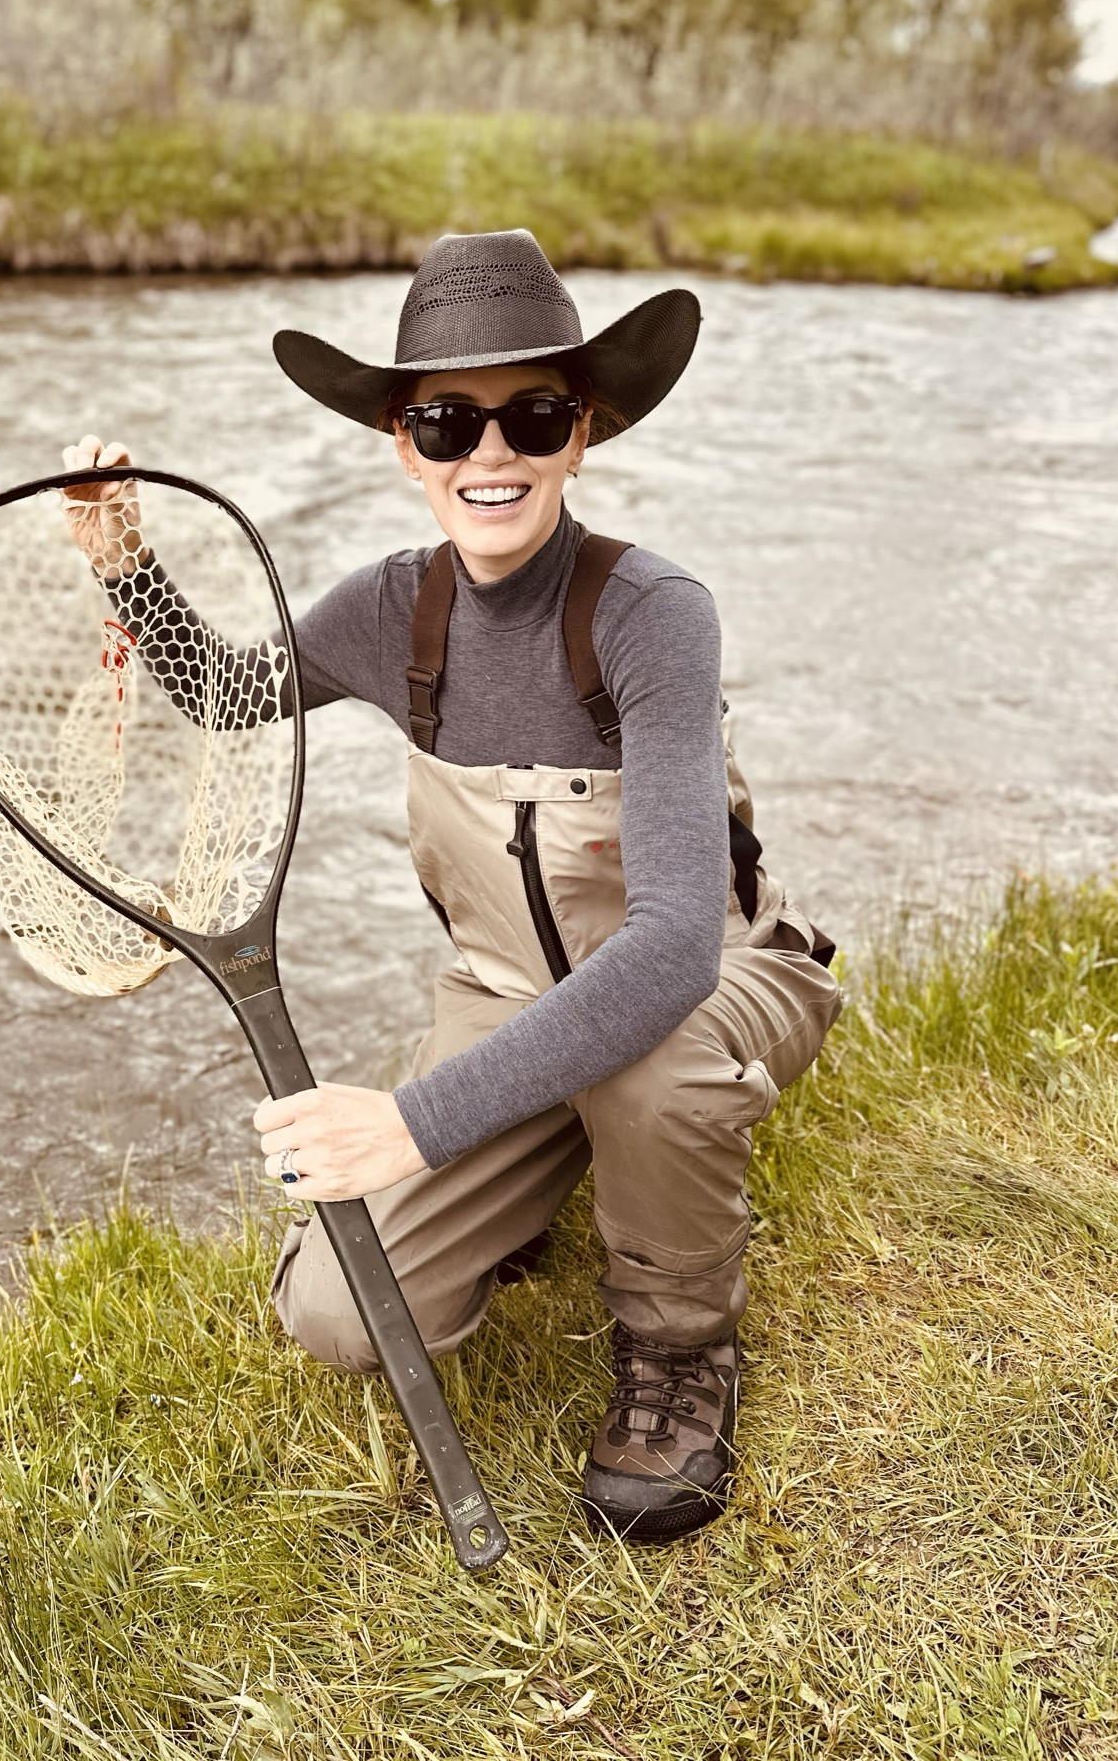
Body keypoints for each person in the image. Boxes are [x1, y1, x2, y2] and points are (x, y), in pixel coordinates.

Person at [63, 228, 841, 1545]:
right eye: (445, 422)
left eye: (530, 416)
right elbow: (226, 691)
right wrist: (125, 565)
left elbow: (667, 959)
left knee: (645, 1067)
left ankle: (678, 1350)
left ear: (579, 436)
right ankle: (537, 1172)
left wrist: (413, 1125)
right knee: (332, 1323)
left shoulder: (653, 613)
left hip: (716, 980)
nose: (489, 455)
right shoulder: (388, 609)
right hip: (502, 999)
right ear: (401, 446)